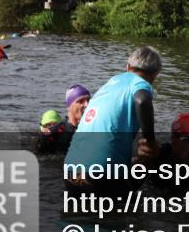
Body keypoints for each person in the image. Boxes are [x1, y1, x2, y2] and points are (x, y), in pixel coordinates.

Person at [64, 46, 162, 196]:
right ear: (155, 73)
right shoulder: (141, 83)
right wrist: (150, 141)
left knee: (78, 214)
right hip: (102, 173)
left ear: (127, 67)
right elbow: (142, 100)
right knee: (123, 212)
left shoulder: (111, 82)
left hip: (71, 170)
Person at [35, 85, 90, 155]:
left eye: (88, 100)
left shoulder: (95, 128)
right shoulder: (51, 134)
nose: (87, 105)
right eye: (81, 101)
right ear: (69, 106)